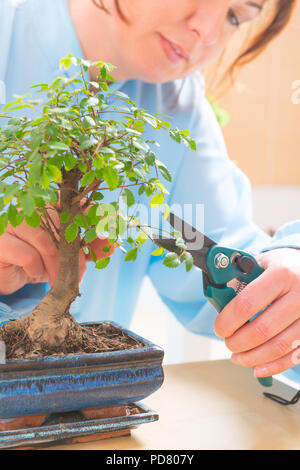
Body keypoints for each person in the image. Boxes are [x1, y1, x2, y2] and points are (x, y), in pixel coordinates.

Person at [0, 0, 299, 384]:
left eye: (235, 16)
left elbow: (226, 255)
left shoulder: (177, 106)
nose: (208, 32)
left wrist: (289, 271)